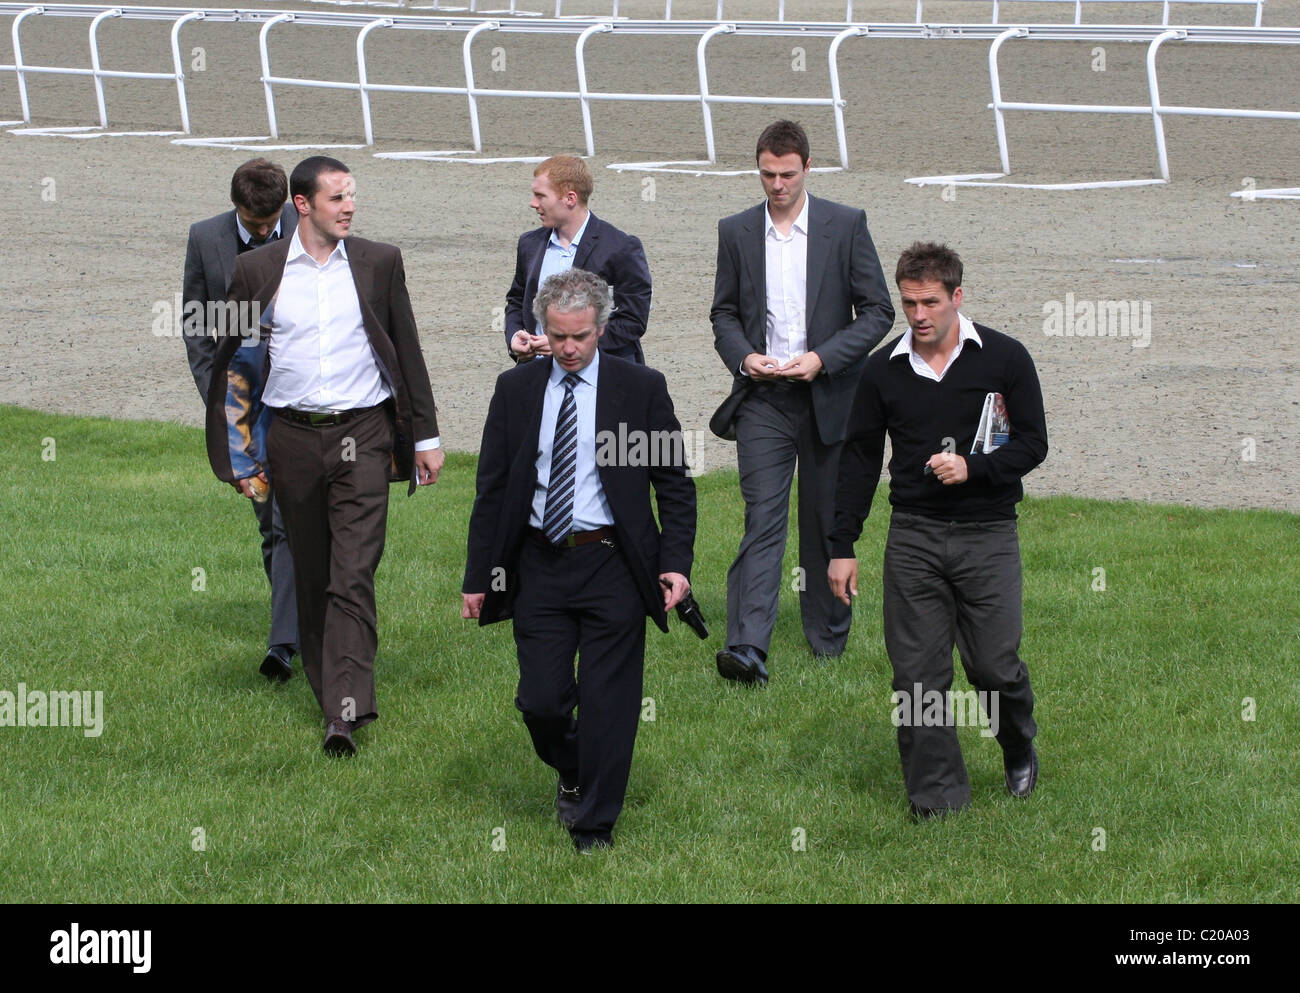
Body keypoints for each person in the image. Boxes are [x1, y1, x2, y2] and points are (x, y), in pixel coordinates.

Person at [205, 156, 444, 756]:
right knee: (312, 576)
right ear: (302, 205)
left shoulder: (379, 261)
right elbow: (230, 363)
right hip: (290, 439)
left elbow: (407, 350)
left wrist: (426, 437)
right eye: (338, 197)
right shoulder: (255, 269)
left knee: (353, 572)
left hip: (363, 436)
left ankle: (345, 711)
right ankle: (330, 690)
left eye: (353, 196)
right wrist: (240, 454)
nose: (350, 207)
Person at [462, 268, 696, 853]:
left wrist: (676, 562)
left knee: (609, 703)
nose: (568, 349)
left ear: (602, 329)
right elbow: (490, 491)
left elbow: (673, 484)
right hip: (539, 563)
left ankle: (595, 823)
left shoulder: (639, 389)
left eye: (581, 337)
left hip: (612, 563)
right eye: (558, 336)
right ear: (543, 328)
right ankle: (571, 765)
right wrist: (478, 577)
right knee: (541, 701)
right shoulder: (515, 392)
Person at [828, 242, 1048, 818]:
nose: (919, 315)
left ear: (957, 296)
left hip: (989, 533)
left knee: (993, 667)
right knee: (918, 677)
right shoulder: (882, 369)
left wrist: (975, 467)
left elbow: (1033, 442)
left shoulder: (1005, 358)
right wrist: (841, 545)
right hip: (914, 537)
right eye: (908, 303)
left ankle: (1017, 739)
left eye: (929, 302)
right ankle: (938, 799)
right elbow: (858, 460)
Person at [709, 119, 894, 685]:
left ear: (807, 169)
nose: (777, 184)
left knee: (822, 520)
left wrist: (823, 358)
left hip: (829, 395)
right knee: (763, 519)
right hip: (763, 398)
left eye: (787, 174)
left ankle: (828, 640)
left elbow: (880, 312)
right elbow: (723, 314)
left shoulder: (846, 224)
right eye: (767, 174)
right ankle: (746, 647)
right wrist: (745, 358)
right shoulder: (736, 230)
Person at [182, 158, 300, 682]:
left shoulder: (310, 228)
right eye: (253, 223)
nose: (262, 230)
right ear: (236, 206)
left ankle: (284, 642)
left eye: (269, 220)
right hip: (241, 409)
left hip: (302, 401)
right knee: (268, 519)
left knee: (290, 524)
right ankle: (293, 625)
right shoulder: (205, 239)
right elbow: (196, 324)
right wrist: (220, 399)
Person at [504, 155, 652, 364]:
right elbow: (517, 301)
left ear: (570, 199)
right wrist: (514, 336)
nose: (533, 203)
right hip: (538, 374)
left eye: (540, 196)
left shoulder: (620, 247)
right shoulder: (530, 243)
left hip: (603, 376)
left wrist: (564, 344)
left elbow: (632, 321)